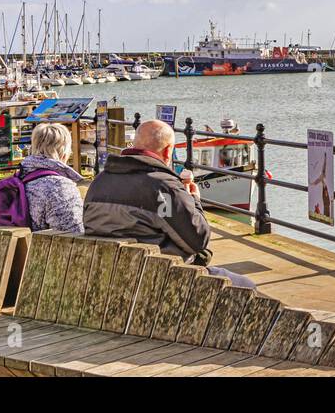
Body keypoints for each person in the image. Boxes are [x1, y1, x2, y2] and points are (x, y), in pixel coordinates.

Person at [83, 119, 254, 288]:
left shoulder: (98, 183)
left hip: (111, 277)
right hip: (161, 279)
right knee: (245, 285)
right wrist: (194, 200)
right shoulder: (163, 188)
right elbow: (198, 240)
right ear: (167, 152)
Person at [22, 122, 86, 233]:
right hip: (42, 248)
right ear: (64, 153)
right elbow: (74, 233)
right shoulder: (60, 187)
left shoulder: (20, 178)